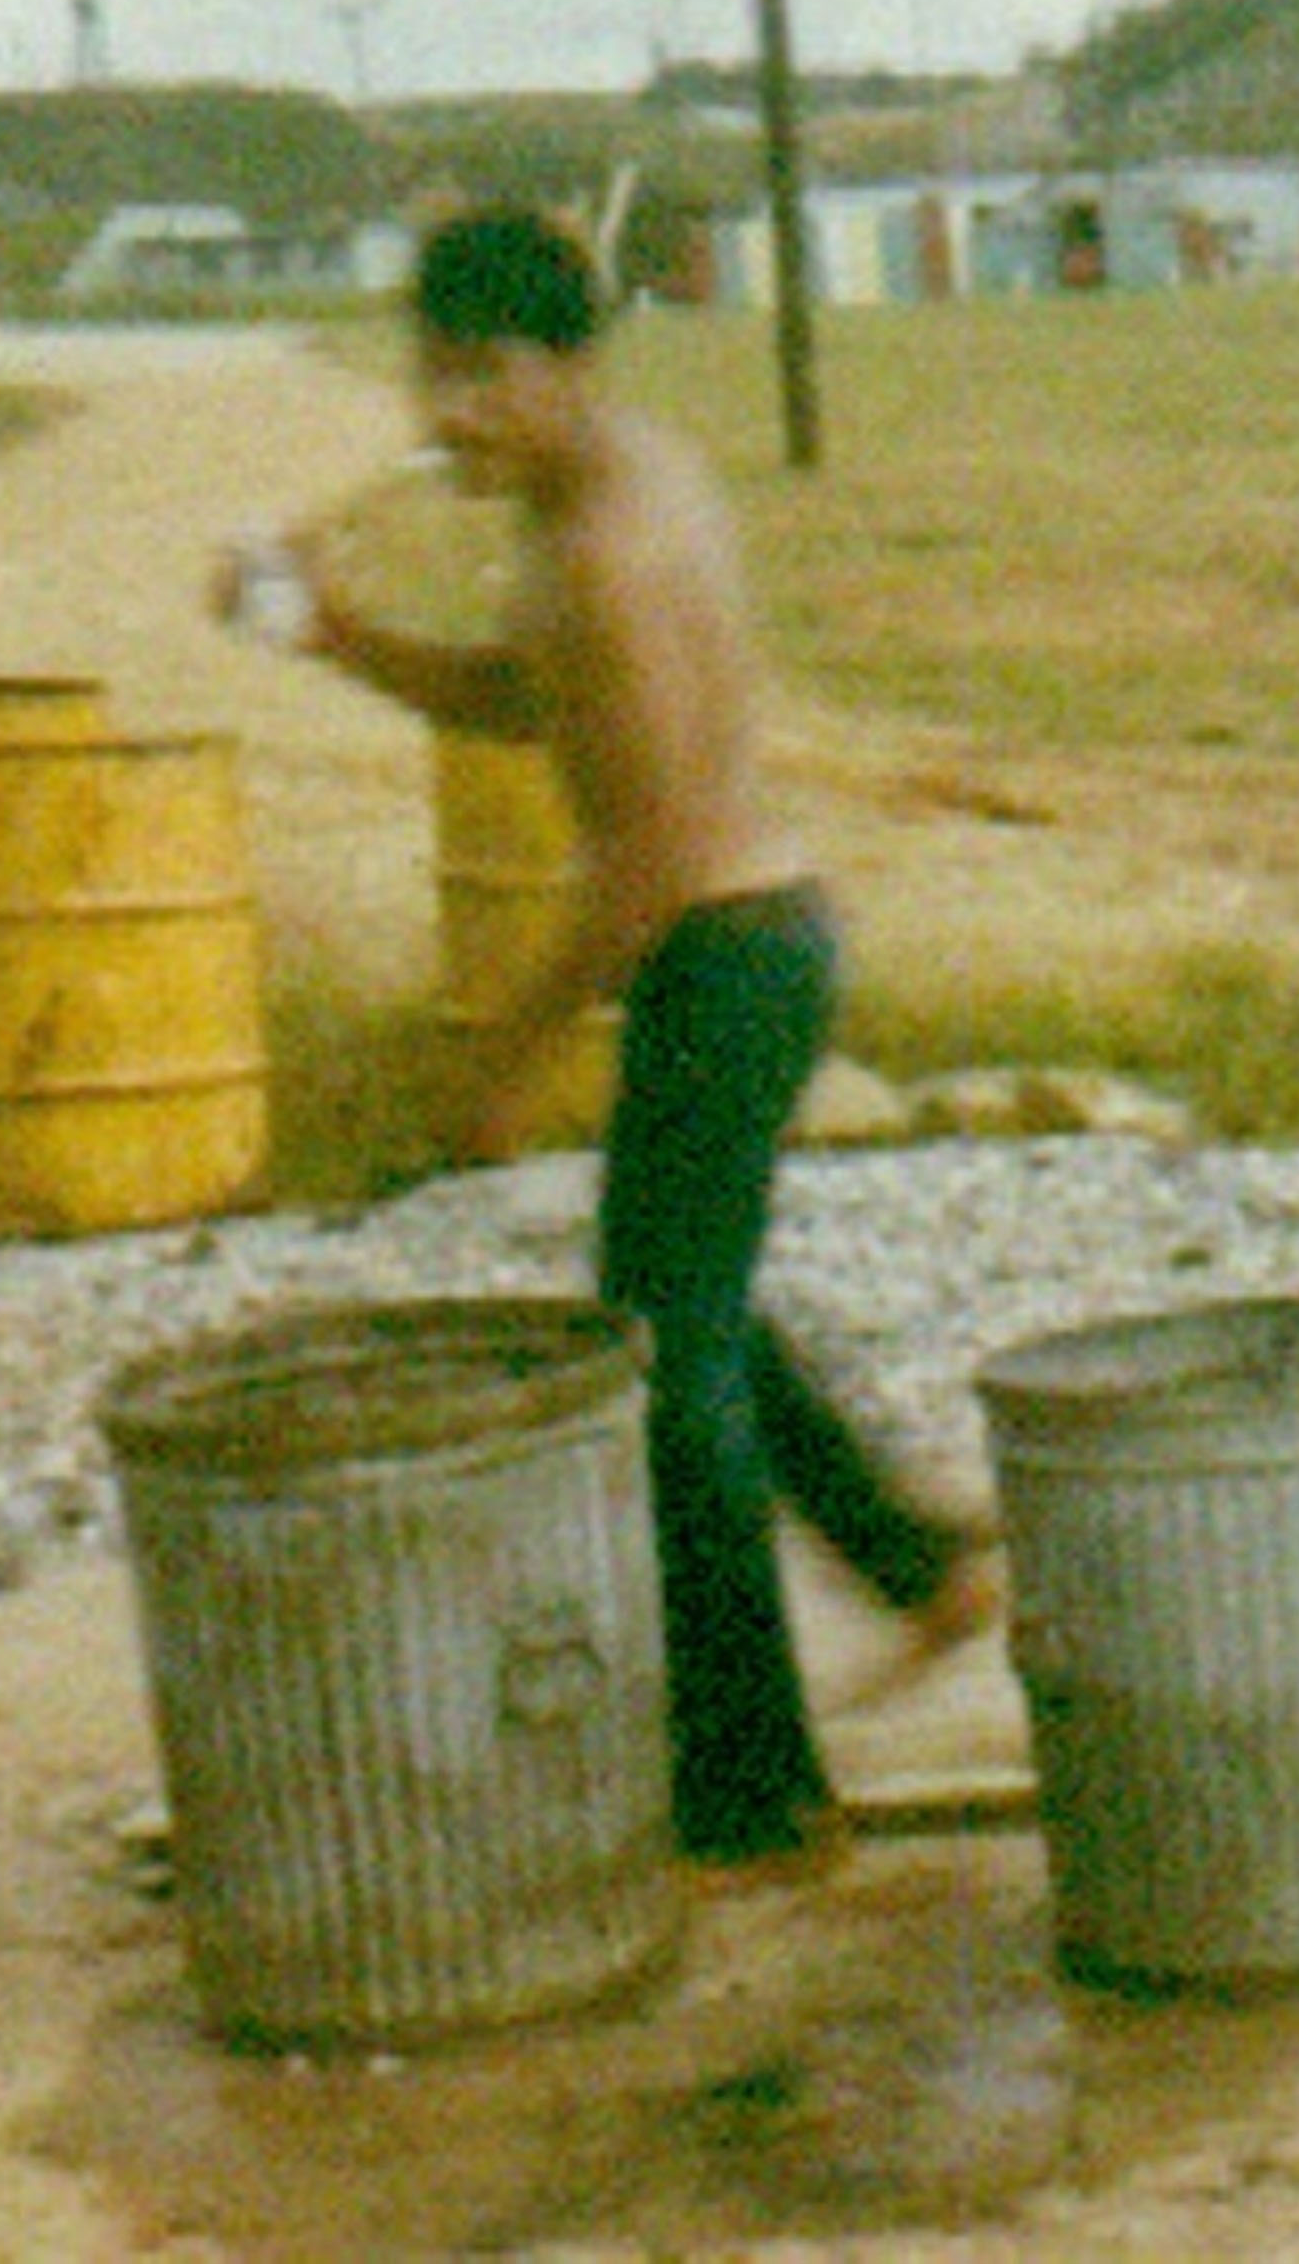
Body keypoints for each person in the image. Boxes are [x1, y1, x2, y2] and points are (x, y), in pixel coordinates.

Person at [276, 206, 990, 1877]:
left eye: (486, 377)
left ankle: (757, 1789)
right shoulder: (599, 490)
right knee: (694, 1305)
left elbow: (650, 850)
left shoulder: (605, 546)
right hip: (738, 941)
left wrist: (501, 1050)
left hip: (727, 952)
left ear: (568, 367)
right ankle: (921, 1568)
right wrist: (338, 637)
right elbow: (528, 702)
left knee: (668, 1367)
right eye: (430, 376)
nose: (450, 413)